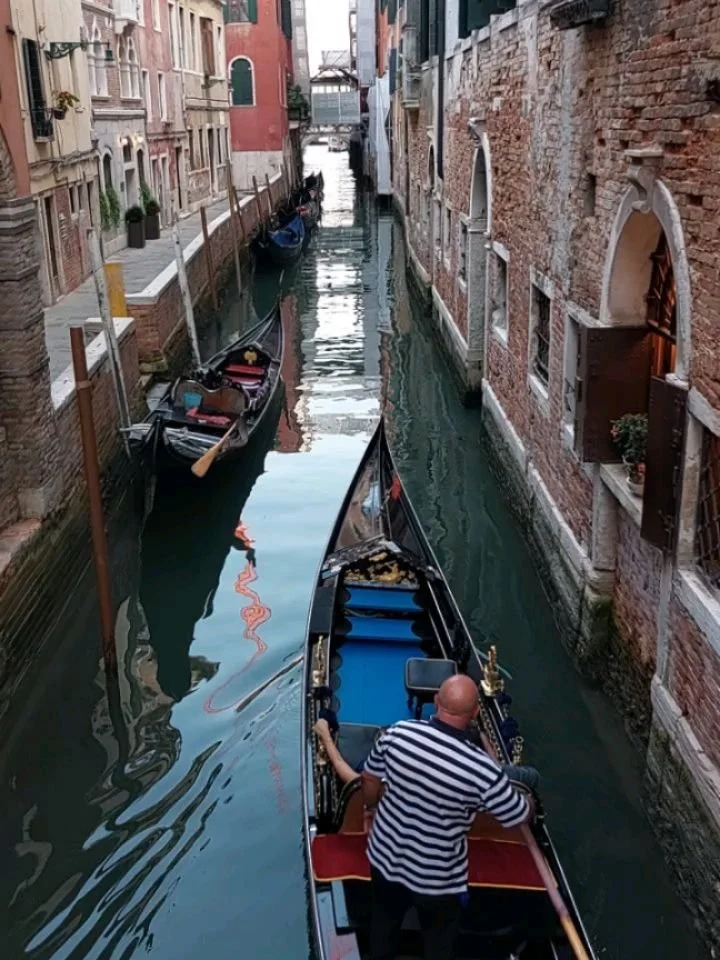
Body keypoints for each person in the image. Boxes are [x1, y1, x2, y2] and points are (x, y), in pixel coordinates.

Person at [361, 675, 535, 960]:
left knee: (383, 924)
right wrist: (529, 802)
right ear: (475, 712)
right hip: (437, 879)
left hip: (385, 858)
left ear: (435, 702)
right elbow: (516, 815)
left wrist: (370, 809)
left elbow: (369, 779)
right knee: (439, 942)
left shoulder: (398, 734)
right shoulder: (482, 769)